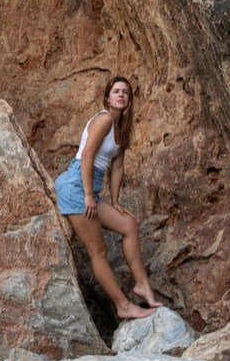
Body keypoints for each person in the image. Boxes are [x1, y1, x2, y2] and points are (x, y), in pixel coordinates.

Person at [53, 75, 162, 321]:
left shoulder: (120, 127)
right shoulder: (103, 119)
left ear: (130, 99)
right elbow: (88, 155)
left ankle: (142, 285)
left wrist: (115, 201)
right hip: (76, 186)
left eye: (125, 92)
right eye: (116, 91)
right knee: (98, 251)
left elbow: (118, 166)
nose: (121, 94)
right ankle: (122, 306)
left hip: (88, 188)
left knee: (129, 224)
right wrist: (90, 195)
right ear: (107, 97)